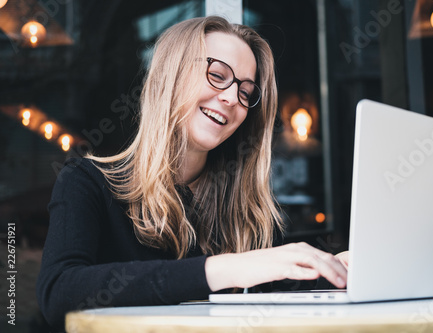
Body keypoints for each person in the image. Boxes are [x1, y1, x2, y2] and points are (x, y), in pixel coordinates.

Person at [36, 16, 348, 331]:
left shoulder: (246, 212)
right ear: (170, 76)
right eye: (217, 75)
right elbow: (59, 294)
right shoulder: (87, 182)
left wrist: (336, 272)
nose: (231, 98)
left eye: (246, 91)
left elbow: (279, 291)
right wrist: (223, 270)